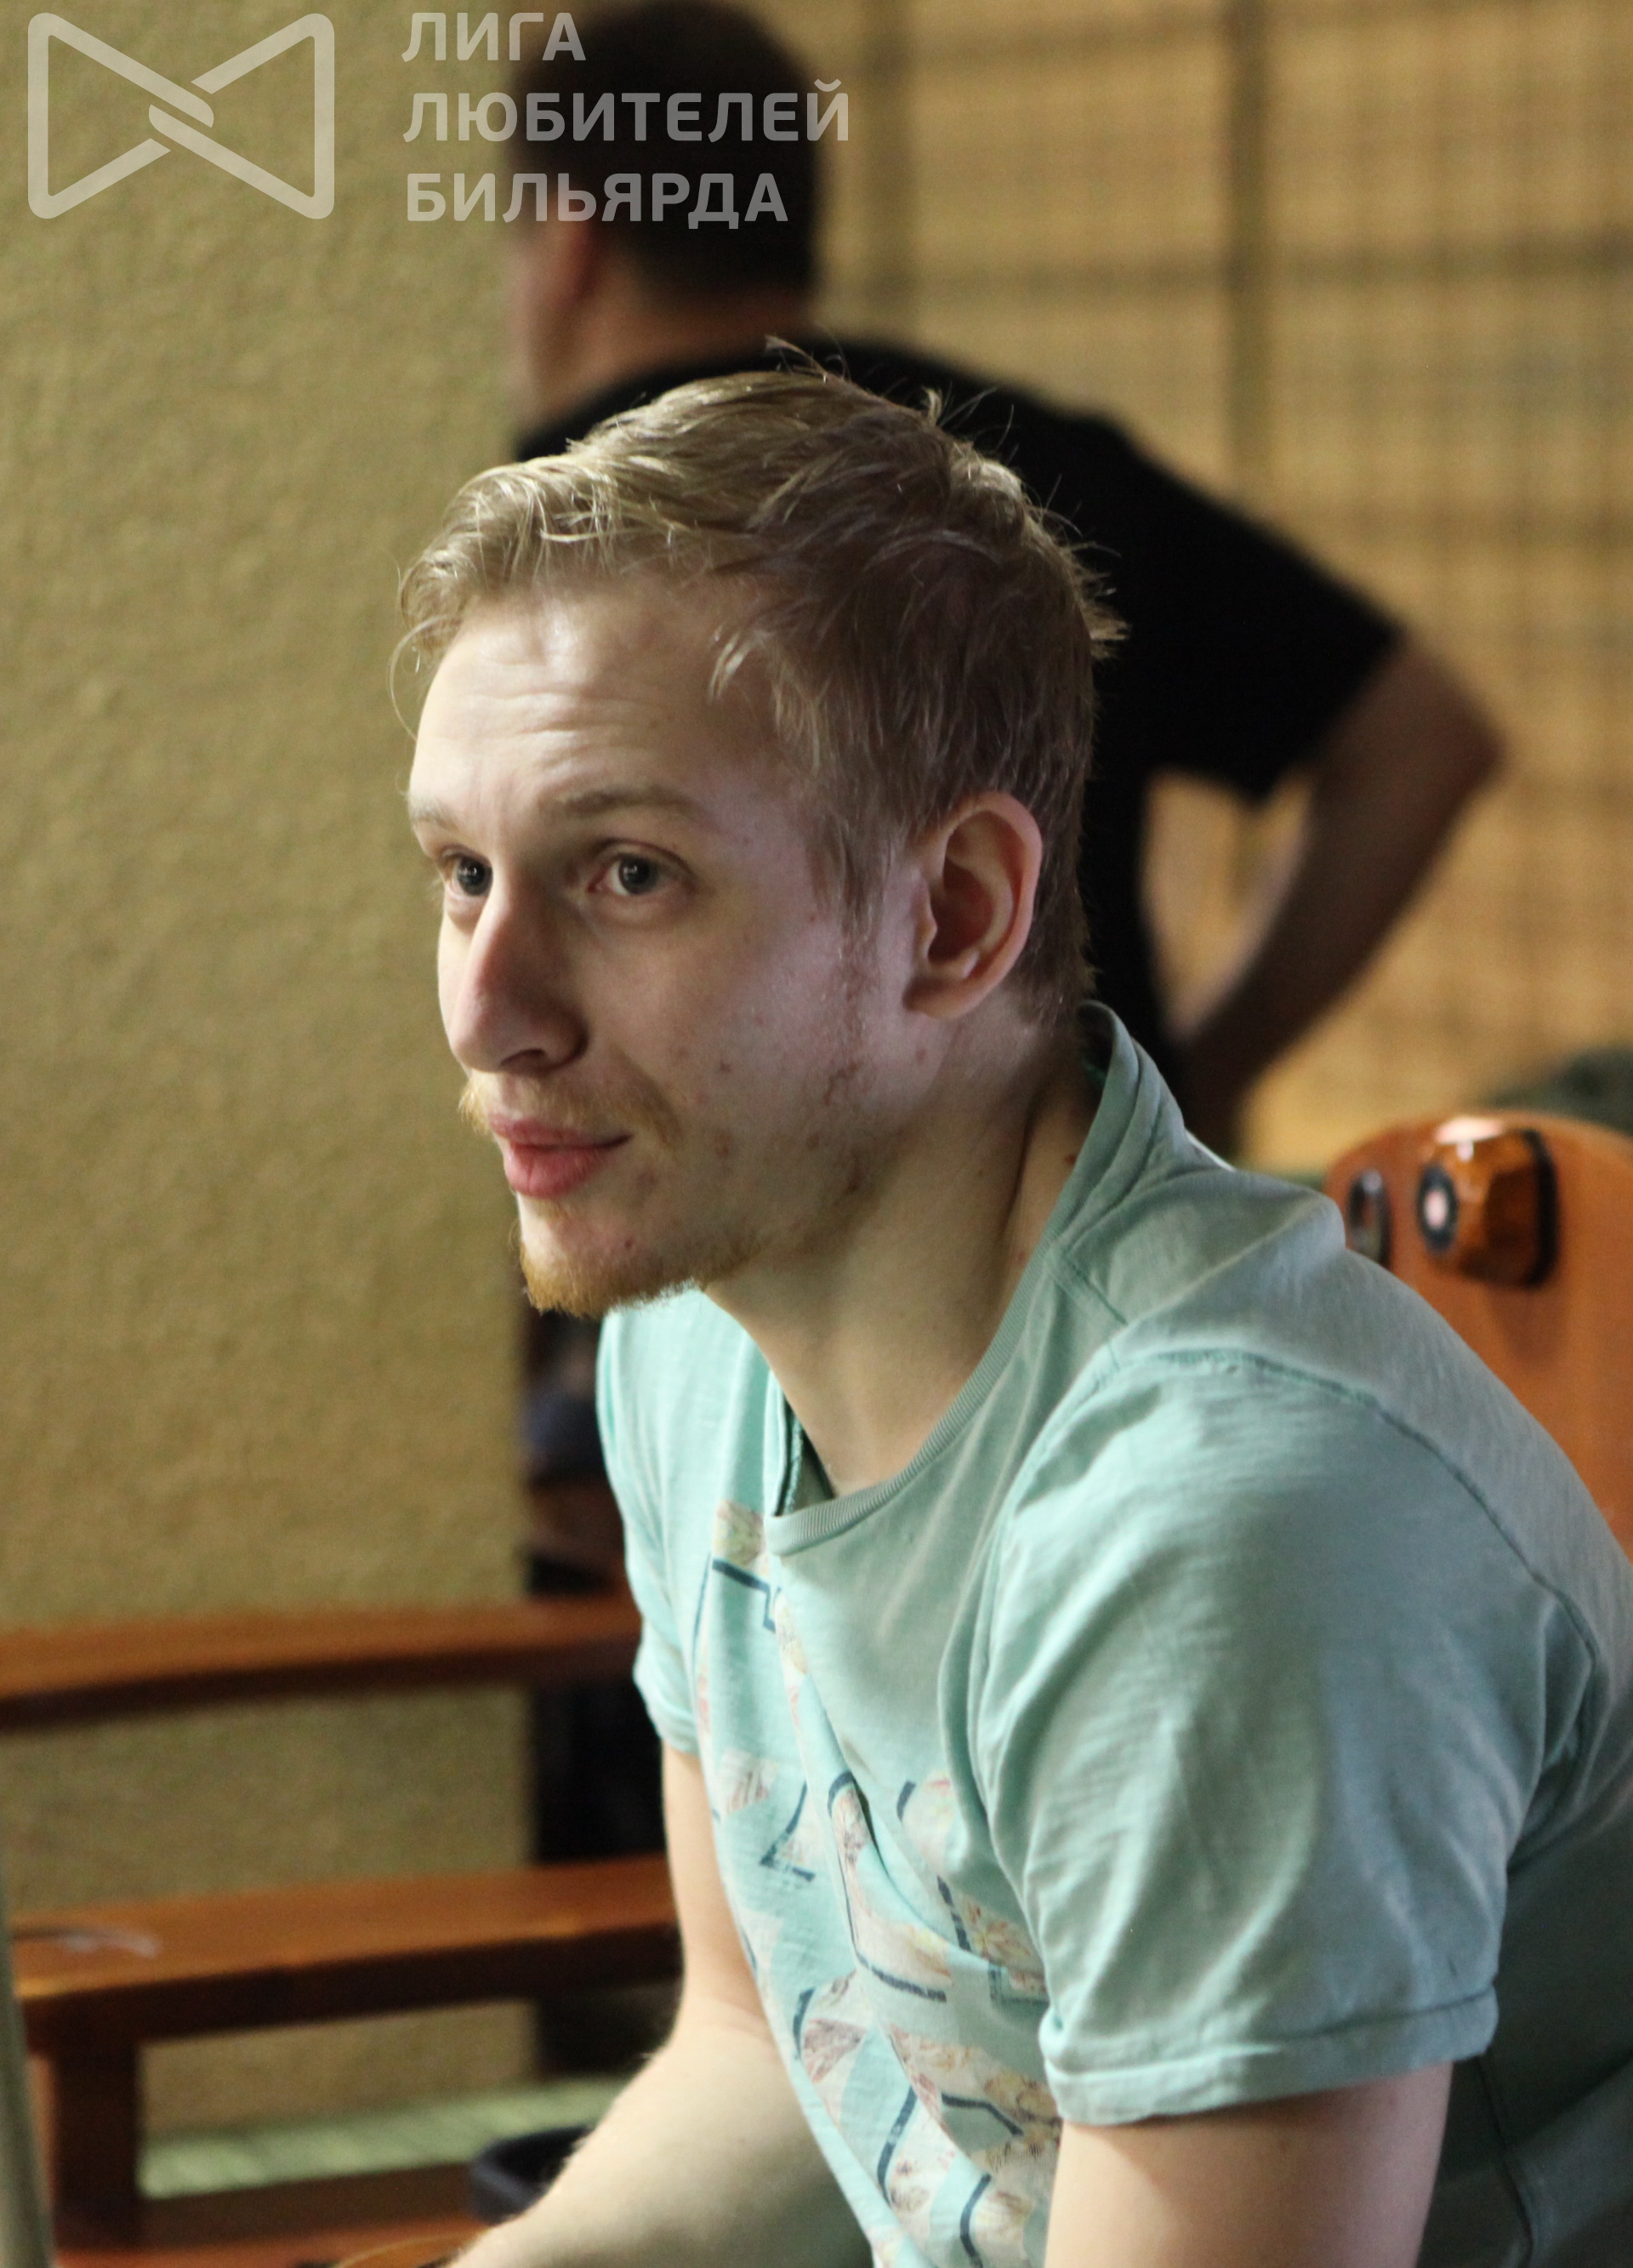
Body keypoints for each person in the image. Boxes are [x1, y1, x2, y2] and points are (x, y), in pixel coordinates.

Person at [401, 368, 1633, 2267]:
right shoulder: (696, 1325)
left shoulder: (1226, 1526)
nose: (490, 1009)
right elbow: (777, 2056)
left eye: (628, 874)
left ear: (955, 916)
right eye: (464, 874)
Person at [503, 0, 1504, 1148]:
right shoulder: (1027, 463)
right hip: (1088, 1184)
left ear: (570, 243)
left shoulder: (531, 534)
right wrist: (1205, 1070)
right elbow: (1422, 735)